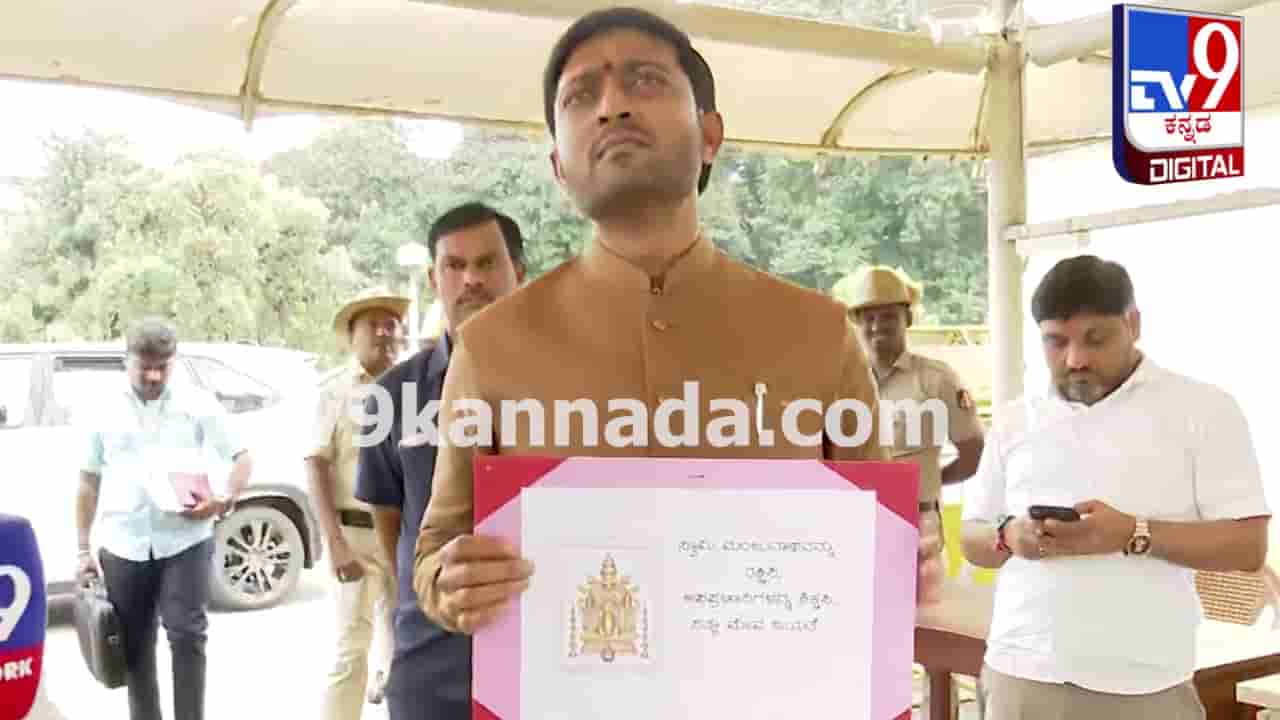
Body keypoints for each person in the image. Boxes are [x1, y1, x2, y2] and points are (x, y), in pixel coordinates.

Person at [411, 5, 943, 639]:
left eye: (645, 81)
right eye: (581, 95)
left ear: (709, 134)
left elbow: (879, 541)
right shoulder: (490, 346)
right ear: (558, 167)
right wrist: (449, 582)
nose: (612, 106)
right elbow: (437, 548)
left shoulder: (820, 334)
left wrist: (906, 562)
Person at [960, 255, 1270, 719]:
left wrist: (1132, 533)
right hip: (1021, 674)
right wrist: (1009, 536)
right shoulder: (1016, 418)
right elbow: (972, 538)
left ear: (1133, 324)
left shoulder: (1203, 410)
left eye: (1095, 338)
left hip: (1146, 685)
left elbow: (1247, 547)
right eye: (1056, 342)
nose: (1076, 359)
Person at [354, 202, 526, 719]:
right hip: (429, 659)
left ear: (519, 270)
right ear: (434, 279)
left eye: (487, 262)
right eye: (455, 265)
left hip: (541, 650)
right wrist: (433, 590)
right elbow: (390, 524)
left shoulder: (568, 387)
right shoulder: (392, 395)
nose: (471, 279)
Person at [75, 317, 251, 720]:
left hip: (186, 540)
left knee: (187, 636)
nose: (154, 376)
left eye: (163, 367)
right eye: (145, 367)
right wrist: (82, 549)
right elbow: (87, 481)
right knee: (135, 648)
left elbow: (242, 456)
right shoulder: (101, 409)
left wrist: (223, 499)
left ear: (174, 361)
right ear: (127, 361)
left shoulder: (198, 403)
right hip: (124, 544)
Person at [306, 289, 409, 718]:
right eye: (373, 325)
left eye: (391, 324)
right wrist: (335, 543)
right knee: (352, 649)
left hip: (406, 536)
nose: (384, 333)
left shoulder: (417, 388)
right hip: (354, 537)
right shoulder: (334, 393)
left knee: (408, 648)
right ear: (352, 337)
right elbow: (316, 465)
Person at [841, 265, 985, 559]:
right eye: (868, 318)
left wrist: (928, 483)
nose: (877, 326)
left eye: (888, 316)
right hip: (854, 521)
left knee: (918, 590)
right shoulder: (840, 383)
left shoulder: (938, 380)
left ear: (907, 318)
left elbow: (974, 453)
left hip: (918, 524)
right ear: (856, 322)